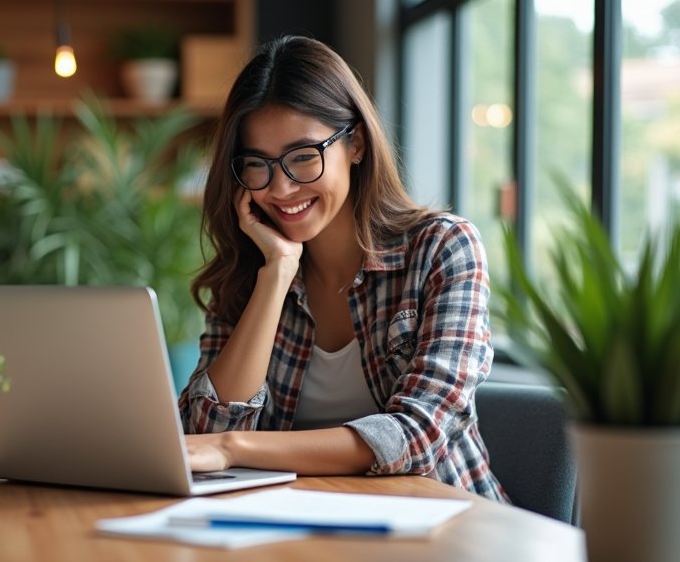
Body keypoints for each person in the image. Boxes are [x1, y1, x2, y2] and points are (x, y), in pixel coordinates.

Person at [178, 35, 507, 502]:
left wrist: (236, 448)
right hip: (293, 530)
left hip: (447, 526)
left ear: (354, 143)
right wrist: (276, 274)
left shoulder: (443, 249)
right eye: (258, 165)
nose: (282, 187)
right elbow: (203, 429)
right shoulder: (248, 272)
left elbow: (417, 433)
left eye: (303, 157)